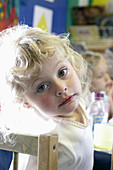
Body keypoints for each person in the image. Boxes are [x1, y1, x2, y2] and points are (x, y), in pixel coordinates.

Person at [0, 25, 94, 170]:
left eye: (62, 72)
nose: (61, 88)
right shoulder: (55, 142)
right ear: (25, 102)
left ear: (71, 63)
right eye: (42, 87)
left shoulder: (73, 101)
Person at [82, 51, 113, 120]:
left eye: (107, 72)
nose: (107, 78)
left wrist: (109, 97)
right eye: (100, 76)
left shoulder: (109, 91)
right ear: (87, 82)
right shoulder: (86, 100)